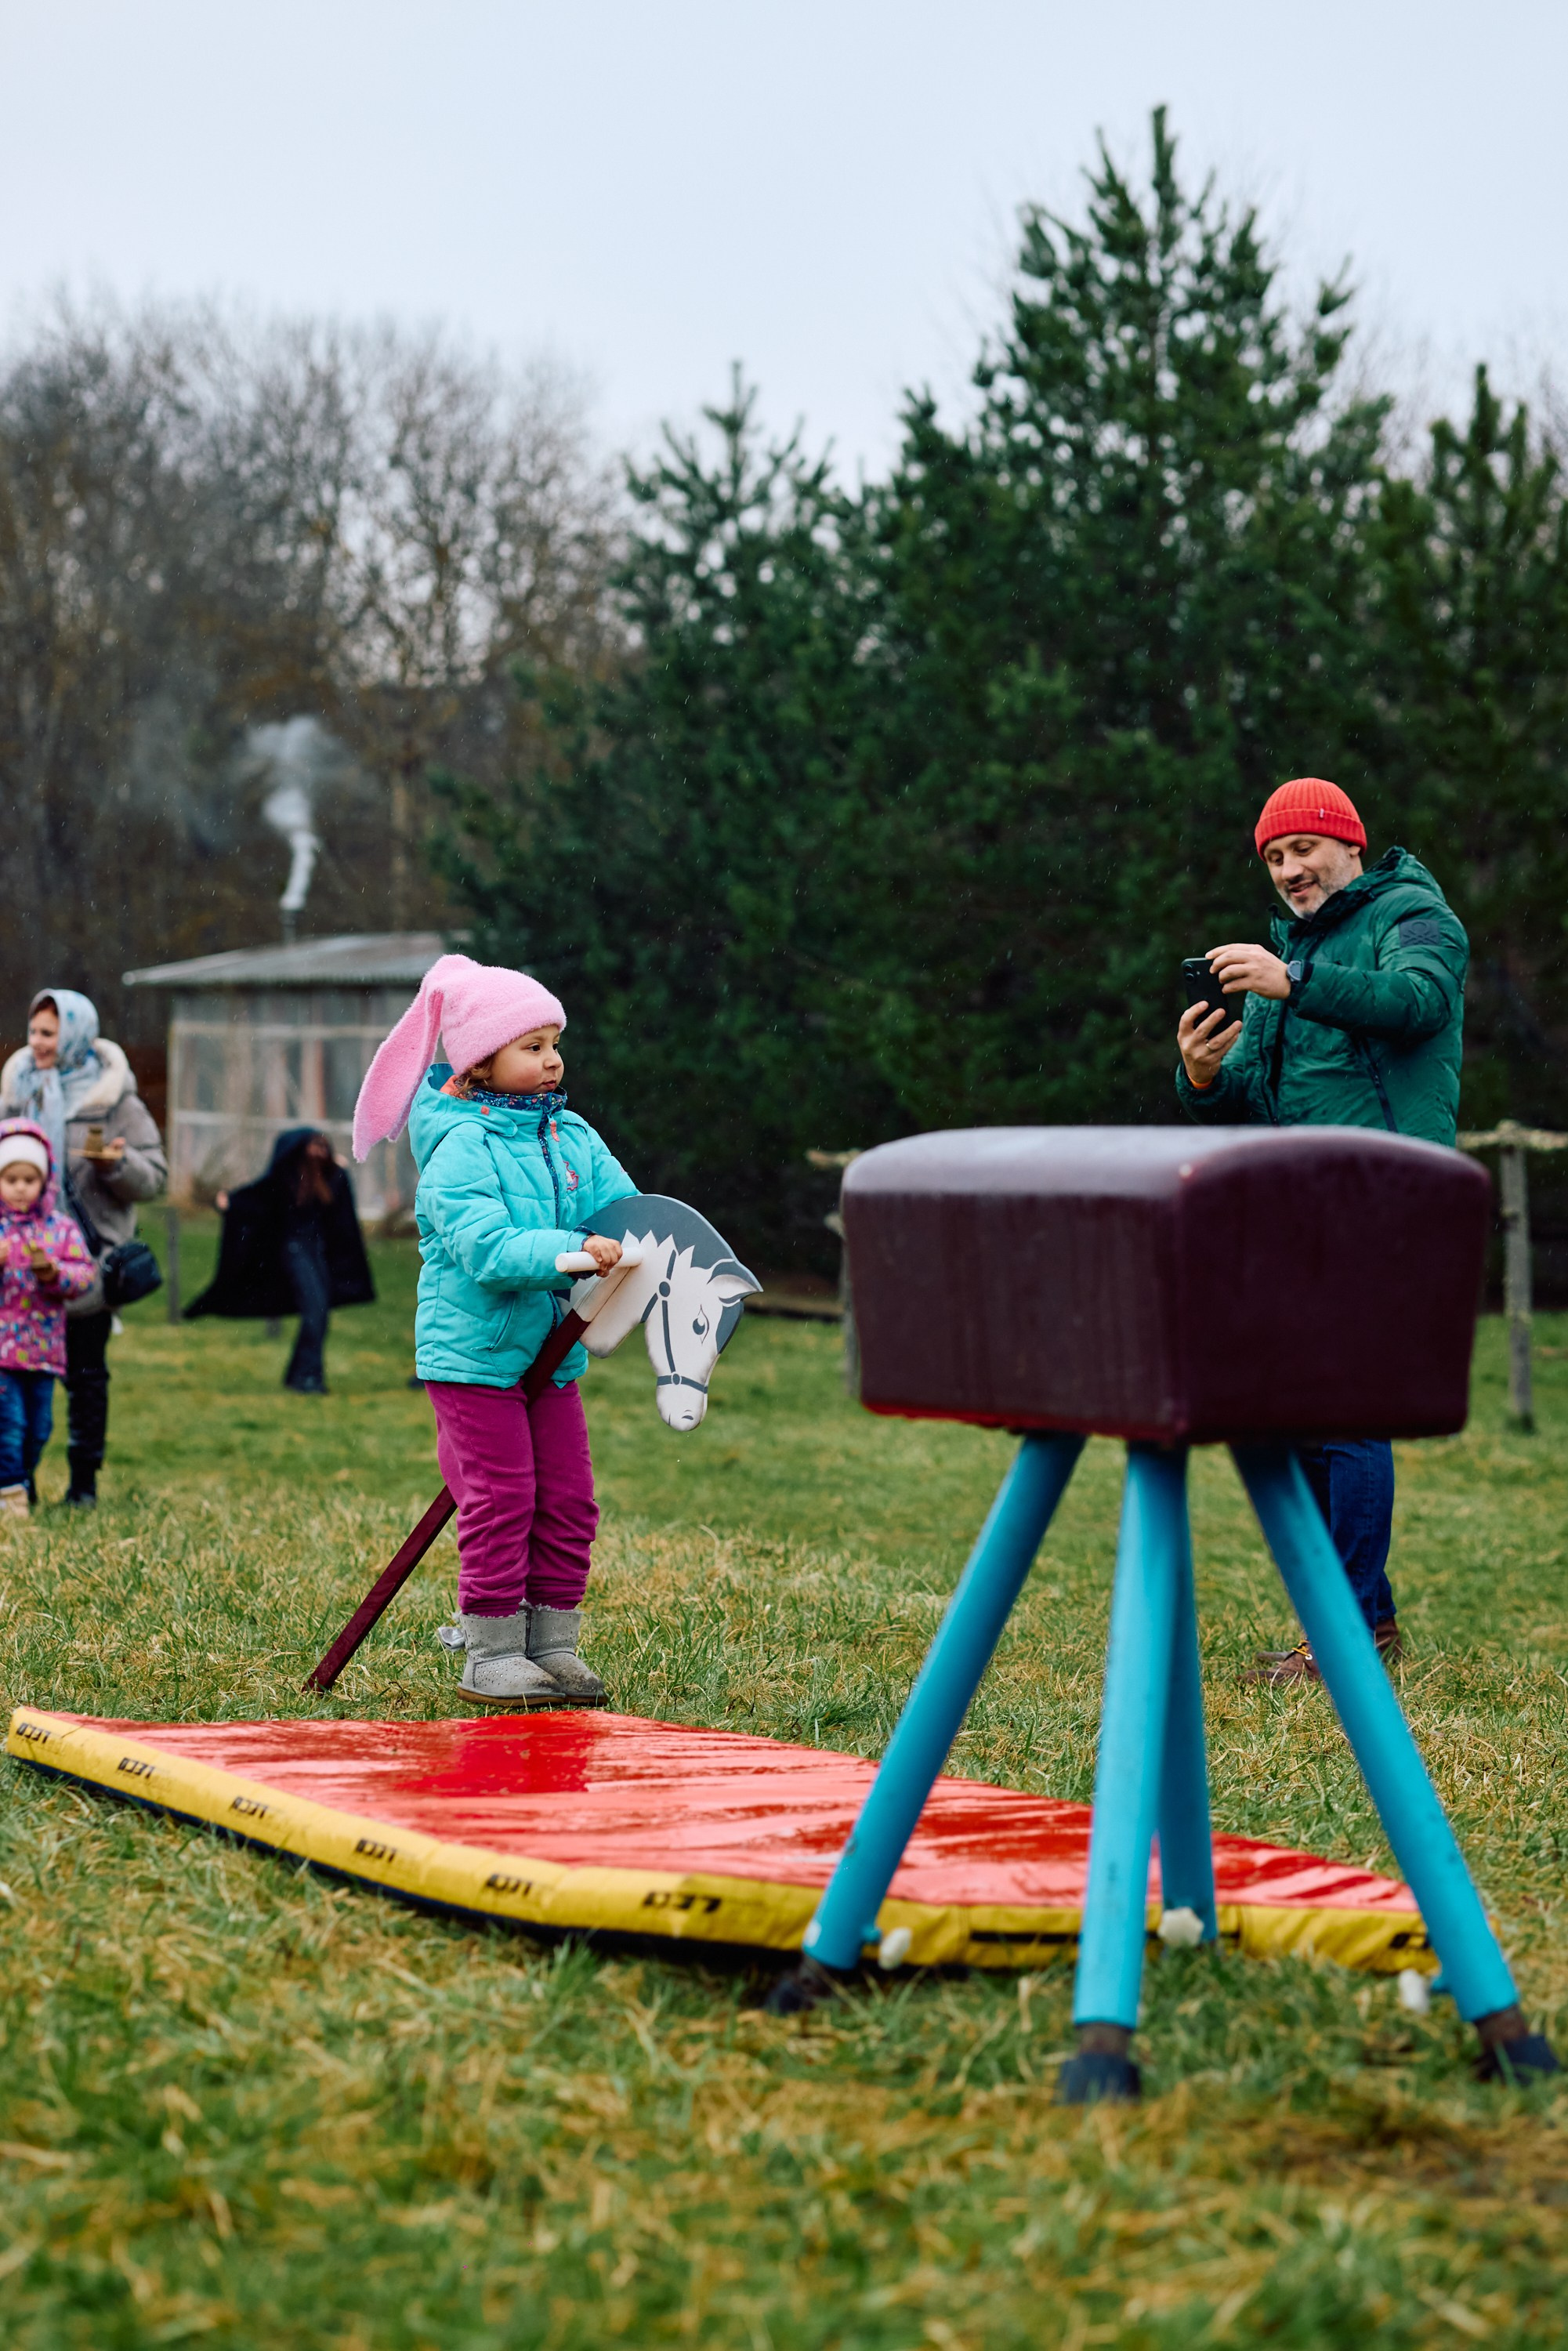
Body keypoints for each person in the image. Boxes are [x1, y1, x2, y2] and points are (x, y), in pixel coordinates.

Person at [1176, 777, 1469, 1686]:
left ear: (1349, 845)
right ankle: (1358, 1623)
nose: (1290, 870)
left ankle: (1347, 1641)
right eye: (1273, 857)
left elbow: (1419, 1004)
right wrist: (1202, 1079)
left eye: (1303, 848)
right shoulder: (1281, 963)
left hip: (1389, 1200)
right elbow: (1261, 1106)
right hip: (1299, 1213)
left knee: (1345, 1411)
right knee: (1290, 1417)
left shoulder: (1413, 915)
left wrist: (1294, 981)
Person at [353, 952, 636, 1708]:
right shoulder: (459, 1148)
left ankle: (553, 1645)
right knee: (503, 1496)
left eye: (554, 1043)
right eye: (532, 1046)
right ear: (478, 1060)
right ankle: (490, 1651)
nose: (552, 1060)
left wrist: (650, 1240)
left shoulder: (571, 1135)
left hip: (551, 1358)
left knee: (568, 1499)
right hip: (474, 1359)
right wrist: (576, 1255)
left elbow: (624, 1212)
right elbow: (487, 1250)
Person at [1, 990, 168, 1508]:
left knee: (86, 1377)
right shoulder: (18, 1092)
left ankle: (83, 1485)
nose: (39, 1044)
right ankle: (18, 1482)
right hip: (21, 1272)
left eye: (49, 1033)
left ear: (74, 1035)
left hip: (87, 1265)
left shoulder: (113, 1099)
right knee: (19, 1384)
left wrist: (113, 1164)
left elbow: (155, 1180)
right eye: (34, 1032)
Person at [185, 1128, 375, 1393]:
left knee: (319, 1312)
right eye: (314, 1147)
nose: (319, 1153)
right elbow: (258, 1198)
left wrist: (335, 1170)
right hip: (294, 1250)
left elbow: (339, 1214)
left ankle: (302, 1374)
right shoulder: (287, 1179)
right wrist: (230, 1203)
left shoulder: (328, 1178)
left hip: (317, 1250)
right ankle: (306, 1376)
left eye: (323, 1147)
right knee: (314, 1311)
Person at [0, 1121, 97, 1518]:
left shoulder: (61, 1229)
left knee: (39, 1429)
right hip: (2, 1353)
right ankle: (10, 1500)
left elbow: (84, 1276)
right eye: (11, 1179)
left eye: (29, 1179)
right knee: (10, 1427)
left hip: (44, 1350)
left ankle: (20, 1482)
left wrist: (55, 1275)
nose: (21, 1187)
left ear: (45, 1181)